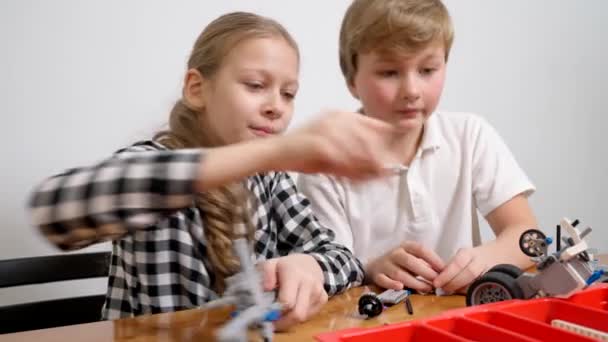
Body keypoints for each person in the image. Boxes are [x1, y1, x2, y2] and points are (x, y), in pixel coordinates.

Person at [27, 11, 403, 330]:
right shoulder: (150, 166)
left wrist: (310, 266)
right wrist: (274, 151)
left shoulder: (268, 178)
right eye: (256, 85)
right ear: (196, 88)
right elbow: (52, 210)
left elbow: (344, 260)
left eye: (289, 94)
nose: (277, 106)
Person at [298, 0, 538, 295]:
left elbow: (527, 236)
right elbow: (329, 267)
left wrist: (486, 258)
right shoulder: (324, 168)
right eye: (389, 72)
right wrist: (371, 268)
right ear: (351, 79)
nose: (411, 91)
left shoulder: (470, 135)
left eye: (427, 70)